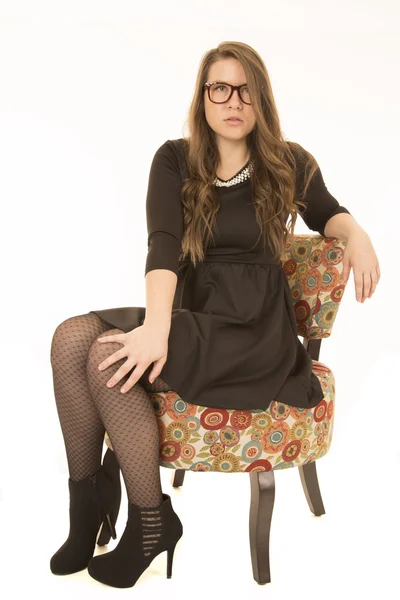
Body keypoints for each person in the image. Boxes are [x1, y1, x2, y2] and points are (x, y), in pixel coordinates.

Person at [49, 41, 380, 588]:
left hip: (253, 331)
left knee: (104, 354)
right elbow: (162, 245)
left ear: (261, 99)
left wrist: (359, 235)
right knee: (71, 338)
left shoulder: (288, 162)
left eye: (245, 89)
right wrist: (157, 327)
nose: (232, 100)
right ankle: (87, 505)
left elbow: (330, 214)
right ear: (203, 97)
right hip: (194, 310)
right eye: (219, 88)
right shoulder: (174, 159)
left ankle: (151, 521)